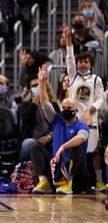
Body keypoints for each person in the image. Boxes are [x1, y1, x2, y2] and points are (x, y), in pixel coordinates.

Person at [31, 66, 89, 195]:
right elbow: (45, 102)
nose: (66, 110)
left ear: (76, 111)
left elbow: (82, 137)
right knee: (36, 147)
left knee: (76, 147)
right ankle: (44, 181)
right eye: (64, 107)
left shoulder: (81, 125)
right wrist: (41, 82)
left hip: (77, 173)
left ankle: (67, 182)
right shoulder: (57, 120)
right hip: (56, 166)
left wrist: (63, 147)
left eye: (69, 107)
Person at [63, 23, 105, 191]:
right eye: (80, 61)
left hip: (91, 120)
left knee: (94, 153)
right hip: (74, 121)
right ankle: (68, 182)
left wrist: (92, 109)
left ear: (91, 64)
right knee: (73, 152)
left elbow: (101, 99)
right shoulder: (72, 76)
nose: (81, 64)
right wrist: (68, 40)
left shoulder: (96, 79)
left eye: (85, 62)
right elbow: (69, 58)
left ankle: (100, 181)